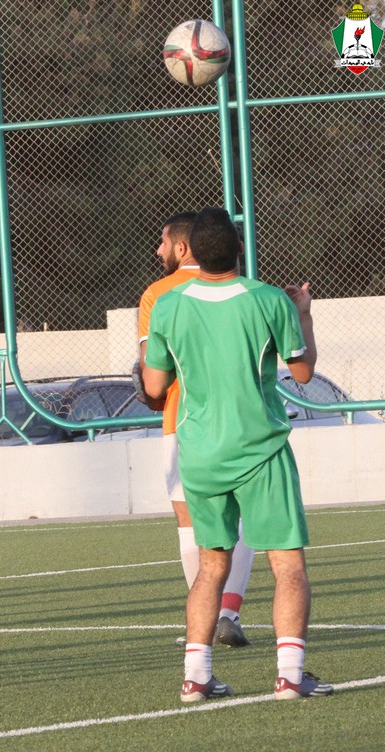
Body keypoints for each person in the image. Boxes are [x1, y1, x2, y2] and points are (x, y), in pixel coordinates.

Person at [142, 206, 332, 702]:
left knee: (211, 566)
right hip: (260, 449)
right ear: (239, 249)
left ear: (191, 251)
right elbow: (303, 372)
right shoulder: (269, 299)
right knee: (287, 565)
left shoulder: (168, 305)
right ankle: (289, 675)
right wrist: (304, 314)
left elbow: (154, 385)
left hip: (200, 452)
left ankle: (196, 676)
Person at [137, 212, 254, 648]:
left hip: (184, 419)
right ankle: (229, 613)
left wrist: (151, 390)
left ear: (183, 247)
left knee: (190, 520)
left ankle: (205, 617)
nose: (158, 250)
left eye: (163, 242)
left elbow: (153, 376)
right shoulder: (246, 289)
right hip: (245, 420)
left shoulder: (158, 294)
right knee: (242, 516)